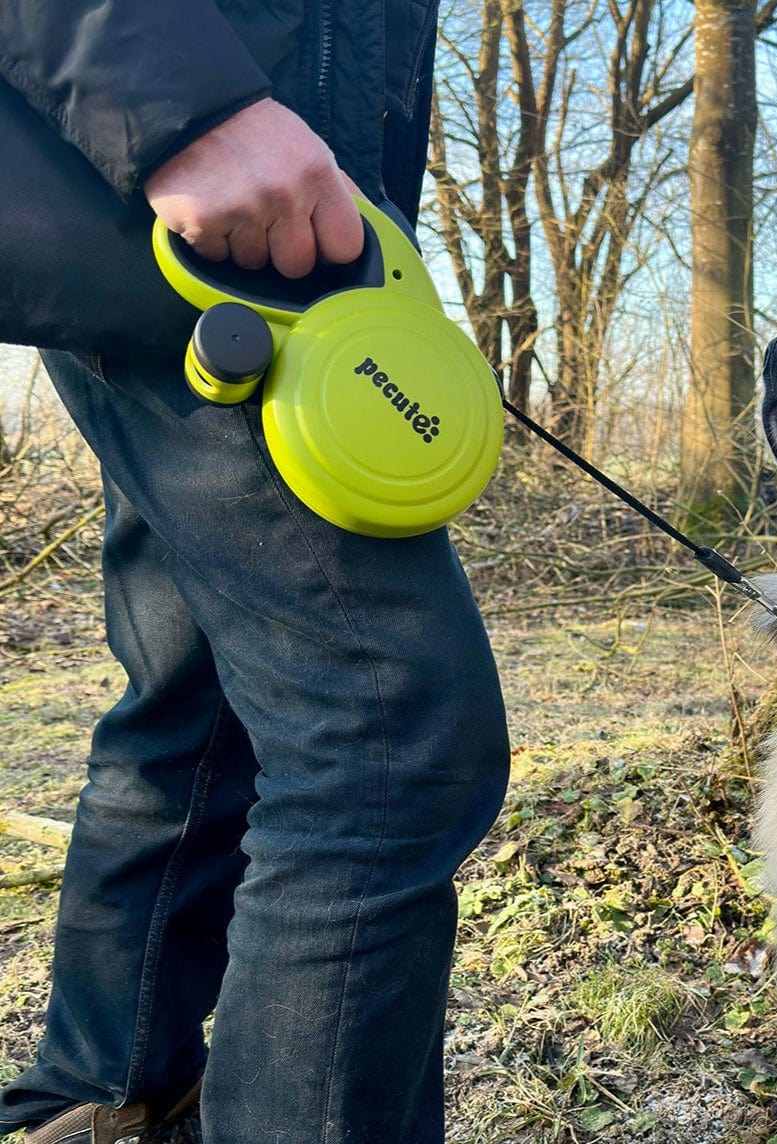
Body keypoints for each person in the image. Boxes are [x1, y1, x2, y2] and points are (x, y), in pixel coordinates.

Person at [0, 3, 511, 1142]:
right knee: (387, 733)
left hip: (254, 230)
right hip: (198, 215)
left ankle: (103, 1097)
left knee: (194, 706)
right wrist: (186, 111)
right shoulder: (191, 126)